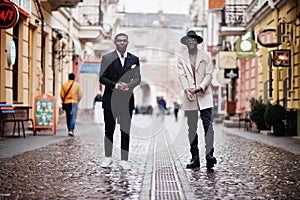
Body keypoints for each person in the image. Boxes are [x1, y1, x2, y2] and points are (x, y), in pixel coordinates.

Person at [99, 33, 141, 170]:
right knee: (109, 129)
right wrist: (116, 85)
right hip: (110, 99)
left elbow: (137, 78)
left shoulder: (134, 59)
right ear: (115, 43)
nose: (122, 43)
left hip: (127, 100)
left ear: (127, 42)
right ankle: (108, 158)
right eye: (119, 41)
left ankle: (124, 160)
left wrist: (128, 85)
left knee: (125, 130)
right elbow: (102, 78)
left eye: (124, 41)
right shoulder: (107, 58)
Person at [177, 30, 217, 169]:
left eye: (193, 39)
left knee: (208, 126)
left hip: (204, 94)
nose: (191, 42)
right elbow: (181, 75)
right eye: (188, 40)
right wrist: (188, 89)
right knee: (192, 128)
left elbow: (209, 74)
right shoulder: (181, 57)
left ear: (197, 41)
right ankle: (195, 158)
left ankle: (209, 156)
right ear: (186, 42)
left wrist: (200, 87)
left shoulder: (205, 56)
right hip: (189, 95)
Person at [60, 73, 82, 137]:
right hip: (74, 102)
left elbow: (61, 94)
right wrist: (77, 100)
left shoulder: (64, 85)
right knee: (73, 116)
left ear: (68, 78)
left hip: (67, 102)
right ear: (74, 78)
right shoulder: (77, 85)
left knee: (68, 116)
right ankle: (71, 130)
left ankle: (69, 129)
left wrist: (64, 100)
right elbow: (80, 94)